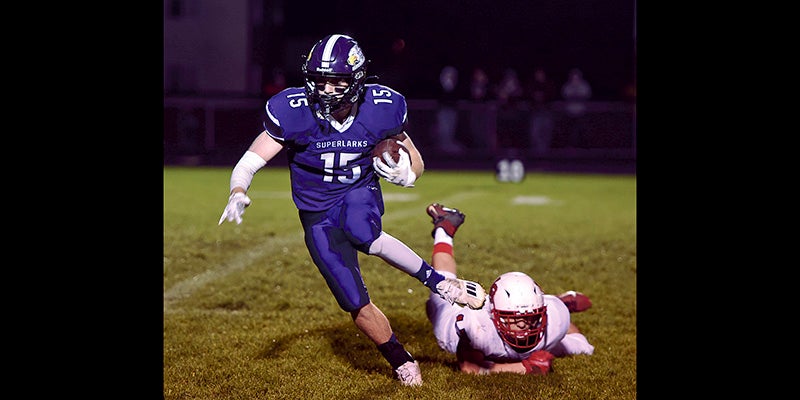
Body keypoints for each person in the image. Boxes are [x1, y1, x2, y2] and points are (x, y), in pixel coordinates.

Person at [217, 34, 487, 386]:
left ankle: (440, 284)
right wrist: (238, 190)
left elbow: (415, 157)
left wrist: (409, 174)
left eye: (337, 80)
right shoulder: (293, 110)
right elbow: (252, 159)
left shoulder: (382, 105)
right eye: (319, 79)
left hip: (359, 193)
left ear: (357, 79)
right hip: (316, 213)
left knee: (361, 229)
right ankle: (400, 359)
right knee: (352, 299)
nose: (326, 89)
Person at [424, 203, 594, 375]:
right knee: (441, 285)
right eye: (515, 319)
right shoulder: (477, 327)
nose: (524, 325)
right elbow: (471, 368)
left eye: (530, 318)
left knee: (583, 348)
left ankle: (552, 299)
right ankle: (444, 228)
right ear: (494, 316)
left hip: (516, 309)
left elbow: (580, 343)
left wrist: (559, 307)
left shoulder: (550, 323)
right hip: (452, 321)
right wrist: (524, 368)